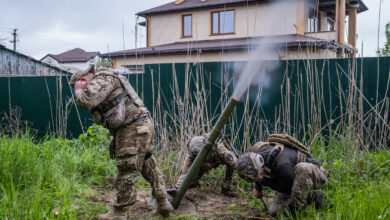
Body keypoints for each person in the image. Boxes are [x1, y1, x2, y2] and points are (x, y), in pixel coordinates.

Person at [70, 65, 173, 219]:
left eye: (81, 85)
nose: (81, 89)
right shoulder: (107, 77)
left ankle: (120, 212)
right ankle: (163, 203)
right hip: (140, 124)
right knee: (147, 164)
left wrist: (79, 91)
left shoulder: (103, 77)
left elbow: (87, 100)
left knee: (127, 169)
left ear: (83, 79)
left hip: (133, 127)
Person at [236, 134, 328, 216]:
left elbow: (287, 188)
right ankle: (311, 196)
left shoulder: (282, 165)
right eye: (256, 178)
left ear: (262, 164)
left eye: (261, 174)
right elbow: (257, 174)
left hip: (315, 174)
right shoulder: (252, 156)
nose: (260, 177)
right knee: (273, 212)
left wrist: (264, 180)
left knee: (301, 169)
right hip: (290, 179)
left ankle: (299, 209)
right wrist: (258, 187)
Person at [167, 133, 238, 197]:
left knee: (230, 165)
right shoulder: (191, 152)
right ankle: (189, 185)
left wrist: (241, 170)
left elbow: (233, 162)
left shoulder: (219, 148)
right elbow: (185, 171)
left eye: (197, 155)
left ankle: (227, 189)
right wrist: (177, 187)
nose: (195, 156)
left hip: (217, 158)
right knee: (192, 181)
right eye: (194, 155)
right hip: (205, 163)